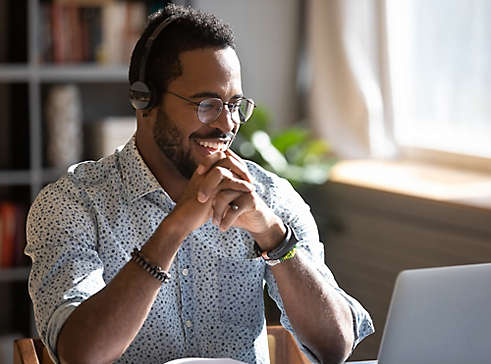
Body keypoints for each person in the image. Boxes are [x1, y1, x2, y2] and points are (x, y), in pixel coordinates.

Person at [25, 4, 374, 364]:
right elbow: (80, 355)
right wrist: (174, 229)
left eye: (235, 104)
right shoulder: (71, 203)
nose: (227, 124)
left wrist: (273, 236)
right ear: (144, 100)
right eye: (207, 104)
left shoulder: (267, 196)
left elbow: (336, 347)